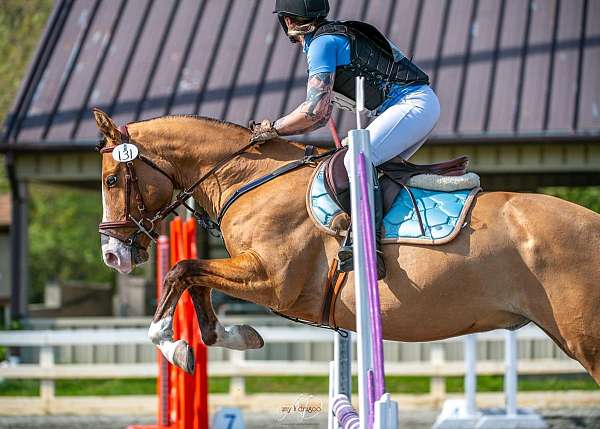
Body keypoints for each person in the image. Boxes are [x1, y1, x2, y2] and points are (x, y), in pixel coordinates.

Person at [250, 0, 441, 279]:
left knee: (356, 160)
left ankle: (367, 245)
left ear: (288, 21)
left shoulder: (321, 44)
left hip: (411, 105)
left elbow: (315, 111)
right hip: (415, 105)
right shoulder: (334, 35)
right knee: (370, 167)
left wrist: (273, 128)